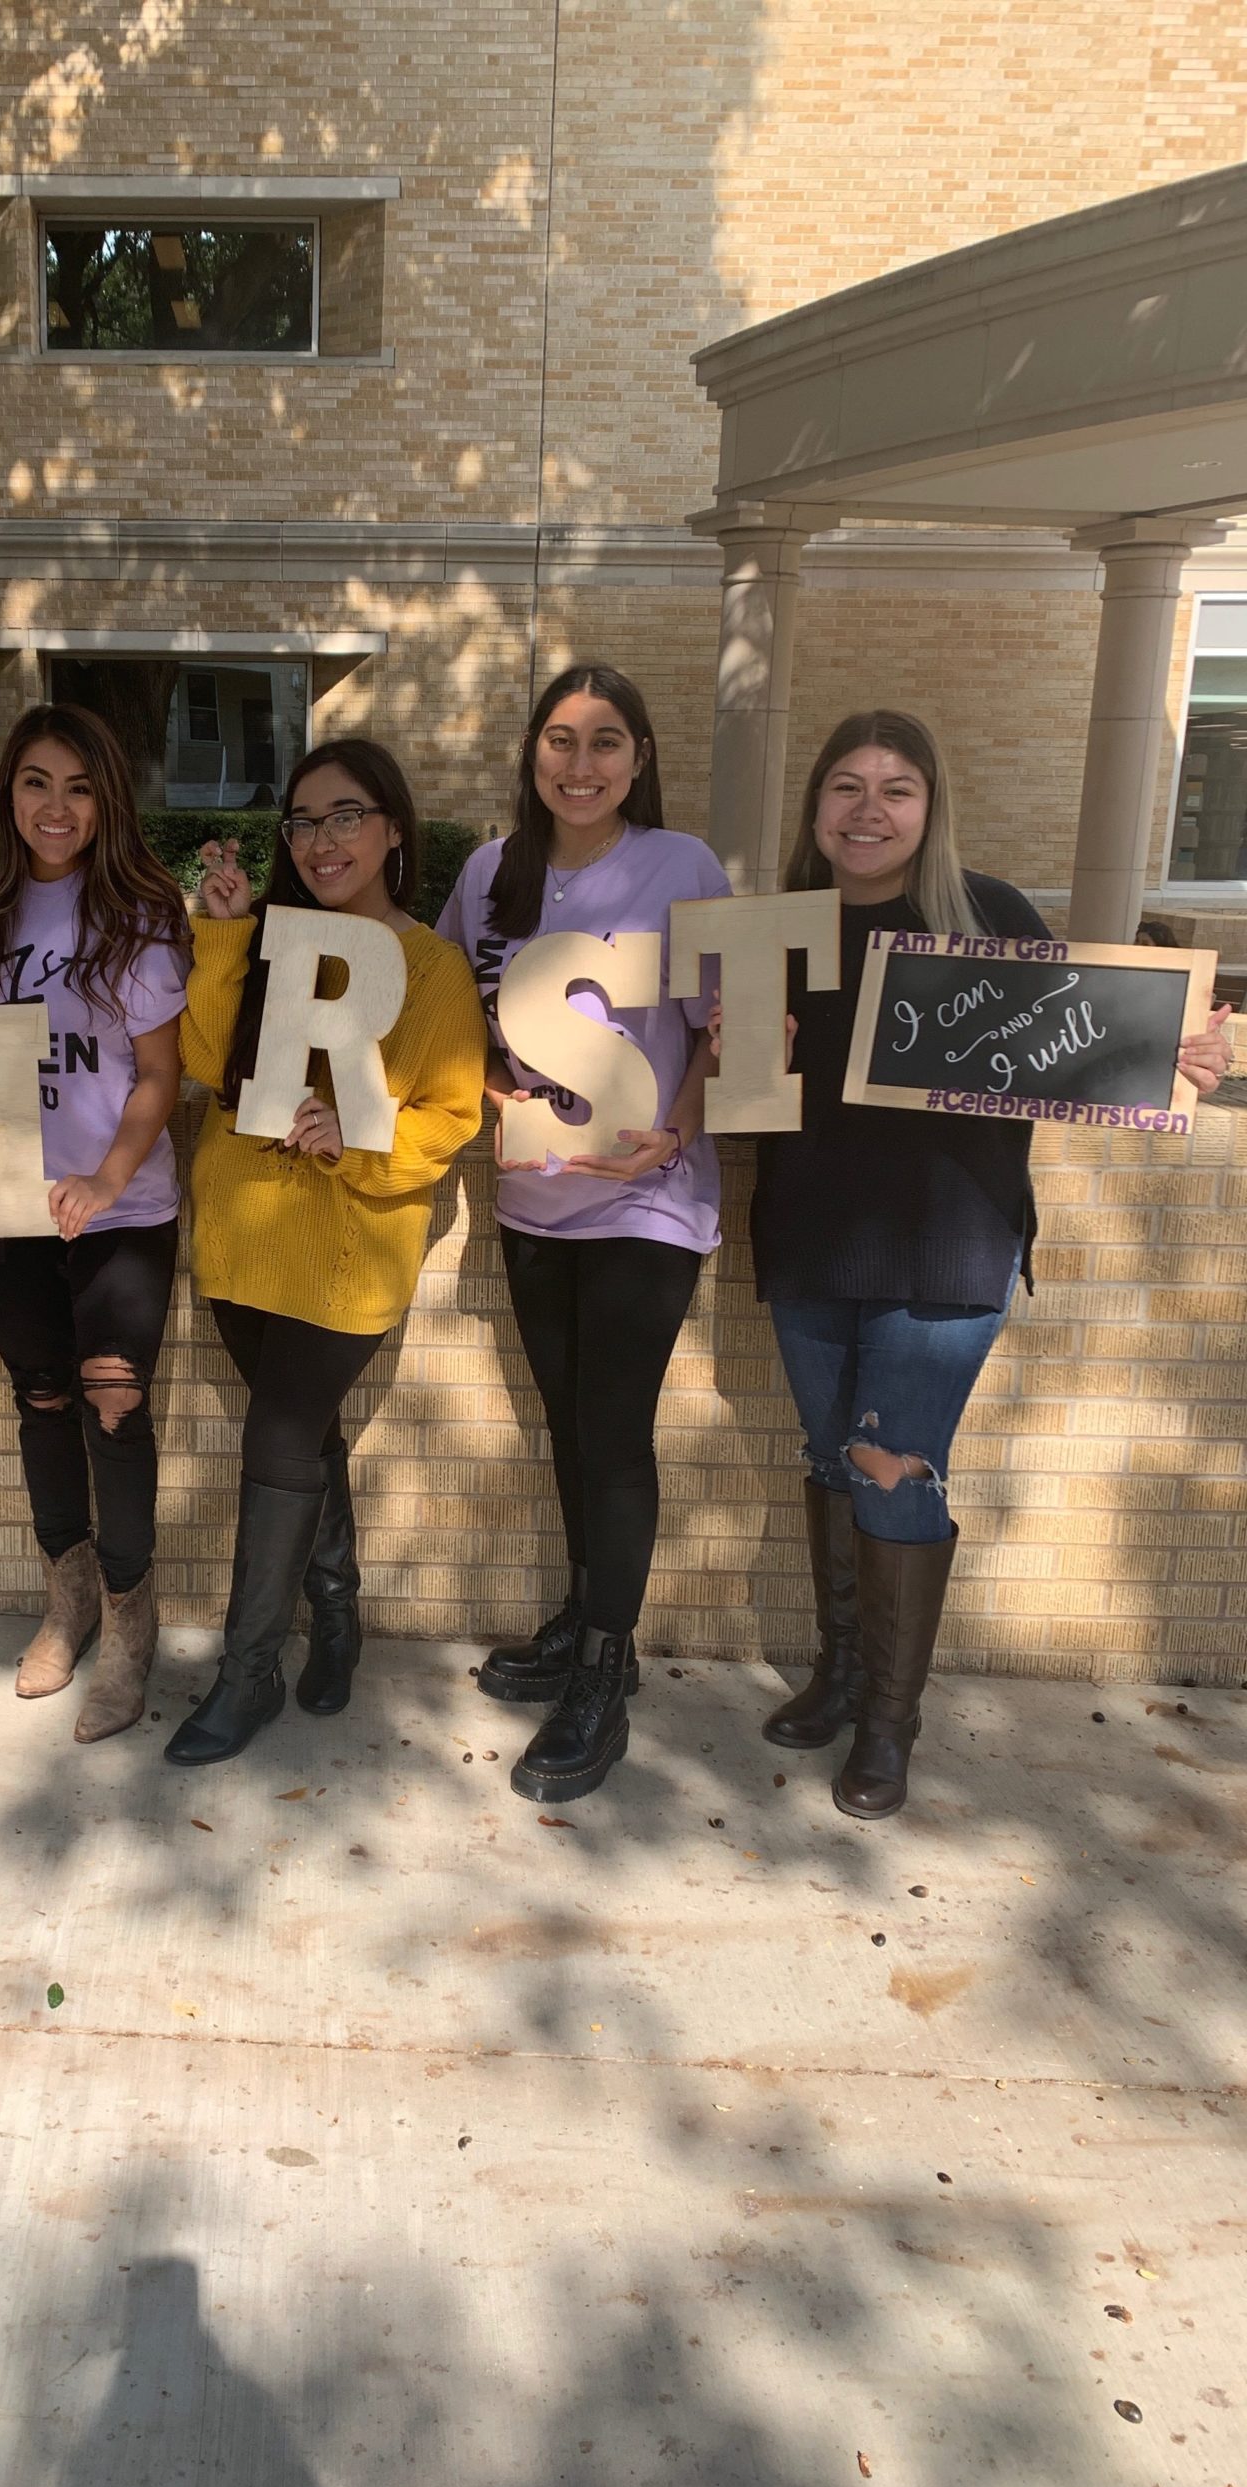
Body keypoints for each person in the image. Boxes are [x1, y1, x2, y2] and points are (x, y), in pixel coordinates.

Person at [744, 708, 1235, 1819]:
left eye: (897, 789)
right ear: (816, 808)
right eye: (847, 786)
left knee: (890, 1467)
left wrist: (1187, 1054)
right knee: (830, 1456)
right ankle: (843, 1668)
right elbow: (738, 1097)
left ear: (931, 807)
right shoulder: (779, 930)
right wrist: (734, 1057)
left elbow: (1096, 1045)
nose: (869, 809)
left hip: (947, 1250)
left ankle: (889, 1722)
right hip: (812, 1236)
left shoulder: (985, 914)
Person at [435, 665, 729, 1805]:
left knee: (614, 1429)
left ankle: (607, 1670)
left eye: (607, 741)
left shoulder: (683, 865)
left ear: (640, 757)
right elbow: (453, 1011)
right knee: (567, 1419)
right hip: (533, 1195)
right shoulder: (488, 873)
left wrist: (679, 1126)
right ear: (534, 752)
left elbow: (724, 1024)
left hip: (649, 1196)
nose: (582, 763)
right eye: (561, 739)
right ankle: (585, 1609)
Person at [165, 737, 488, 1767]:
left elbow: (453, 1114)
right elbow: (211, 1064)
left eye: (346, 815)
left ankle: (246, 1673)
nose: (321, 840)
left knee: (280, 1428)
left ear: (395, 826)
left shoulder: (430, 967)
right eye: (302, 821)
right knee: (300, 1436)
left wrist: (364, 1140)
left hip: (349, 1246)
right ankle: (337, 1609)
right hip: (241, 1230)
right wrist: (219, 939)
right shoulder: (269, 941)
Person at [0, 706, 190, 1742]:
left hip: (118, 1209)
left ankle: (129, 1618)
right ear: (6, 794)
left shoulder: (141, 912)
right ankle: (65, 1599)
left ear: (106, 797)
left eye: (76, 785)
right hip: (5, 1202)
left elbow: (161, 1075)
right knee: (44, 1397)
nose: (54, 807)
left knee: (113, 1405)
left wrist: (108, 1178)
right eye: (33, 782)